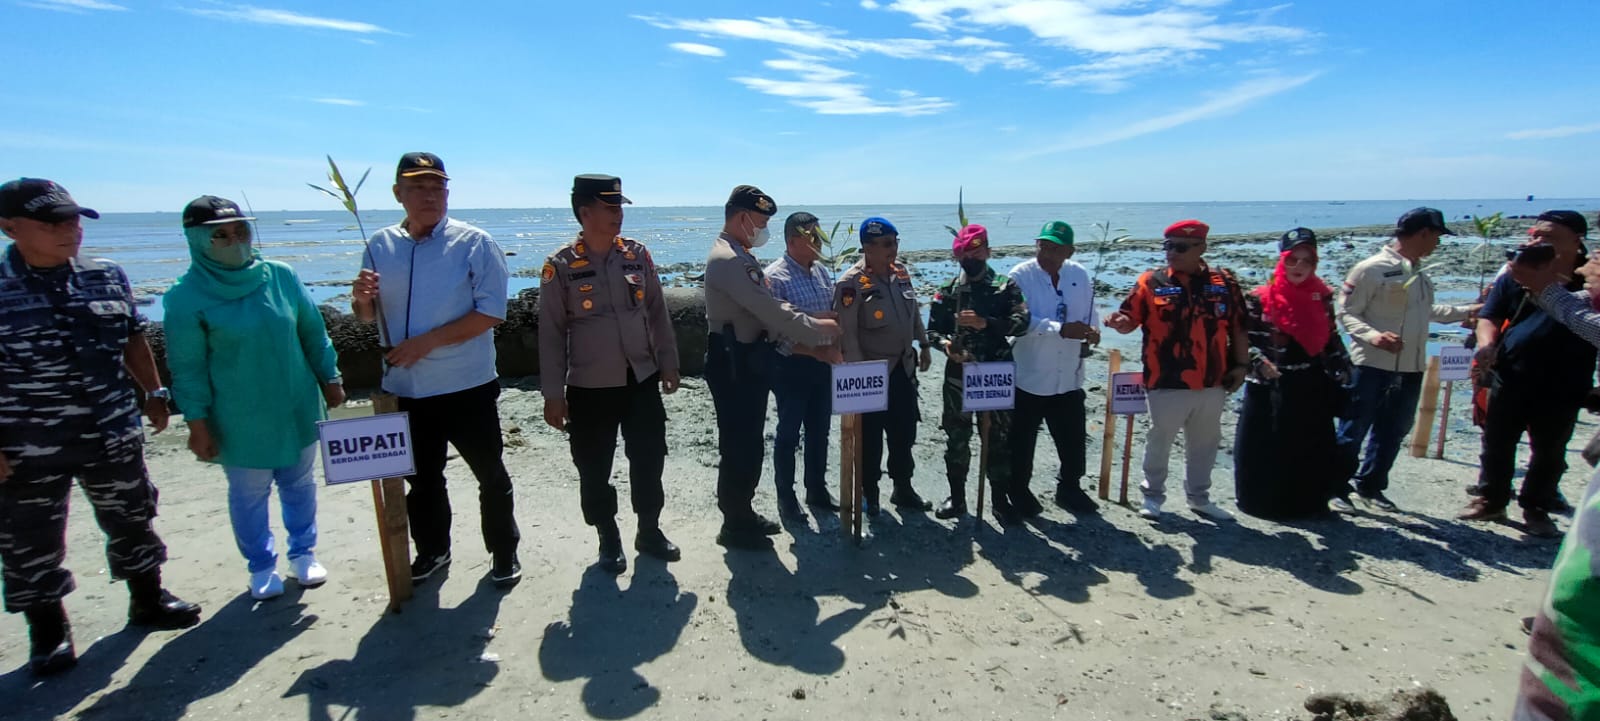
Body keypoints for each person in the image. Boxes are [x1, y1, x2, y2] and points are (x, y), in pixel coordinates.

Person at [0, 178, 201, 676]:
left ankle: (147, 601)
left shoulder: (105, 275)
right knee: (30, 541)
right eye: (53, 222)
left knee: (133, 516)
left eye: (73, 219)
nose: (69, 229)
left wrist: (154, 393)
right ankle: (48, 635)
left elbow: (132, 338)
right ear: (9, 227)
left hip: (111, 429)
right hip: (26, 441)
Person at [350, 152, 521, 588]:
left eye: (437, 187)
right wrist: (362, 302)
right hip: (405, 388)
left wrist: (426, 342)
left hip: (467, 385)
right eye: (419, 187)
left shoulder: (474, 242)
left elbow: (491, 313)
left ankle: (503, 552)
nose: (430, 195)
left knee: (490, 474)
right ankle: (433, 552)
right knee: (422, 482)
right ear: (398, 194)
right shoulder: (379, 244)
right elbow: (367, 318)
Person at [163, 195, 344, 600]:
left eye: (240, 230)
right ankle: (262, 566)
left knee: (299, 482)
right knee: (249, 492)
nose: (234, 240)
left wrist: (330, 378)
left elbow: (313, 332)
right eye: (220, 235)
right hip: (238, 414)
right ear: (198, 240)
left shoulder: (280, 276)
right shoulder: (186, 297)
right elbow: (187, 367)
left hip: (295, 401)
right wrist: (197, 422)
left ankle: (303, 553)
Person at [539, 175, 681, 574]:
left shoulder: (637, 255)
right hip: (588, 386)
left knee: (649, 456)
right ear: (585, 213)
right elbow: (551, 333)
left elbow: (656, 310)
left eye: (620, 207)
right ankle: (607, 534)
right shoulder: (561, 266)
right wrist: (553, 393)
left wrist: (667, 361)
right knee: (593, 464)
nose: (618, 215)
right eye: (610, 207)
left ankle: (649, 529)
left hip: (640, 378)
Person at [703, 185, 841, 549]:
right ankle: (734, 523)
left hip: (748, 359)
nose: (762, 228)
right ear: (741, 217)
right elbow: (770, 310)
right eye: (760, 221)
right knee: (738, 444)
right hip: (732, 359)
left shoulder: (741, 254)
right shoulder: (728, 259)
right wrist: (816, 329)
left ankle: (742, 513)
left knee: (749, 442)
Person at [1507, 213, 1600, 719]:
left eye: (1549, 238)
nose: (1535, 243)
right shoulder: (1524, 278)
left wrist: (1552, 291)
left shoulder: (1572, 283)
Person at [1459, 211, 1595, 538]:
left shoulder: (1591, 280)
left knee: (1550, 448)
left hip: (1566, 379)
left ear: (1576, 241)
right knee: (1497, 440)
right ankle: (1492, 498)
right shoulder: (1516, 273)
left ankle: (1536, 506)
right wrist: (1486, 344)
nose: (1538, 243)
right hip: (1513, 370)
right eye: (1536, 235)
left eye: (1549, 237)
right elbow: (1489, 315)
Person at [1334, 207, 1477, 513]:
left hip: (1411, 366)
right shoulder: (1371, 269)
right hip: (1371, 364)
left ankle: (1371, 486)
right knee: (1353, 428)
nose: (1438, 243)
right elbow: (1346, 312)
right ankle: (1335, 487)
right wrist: (1374, 337)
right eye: (1437, 235)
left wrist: (1466, 312)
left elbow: (1427, 313)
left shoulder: (1419, 273)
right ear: (1423, 233)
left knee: (1394, 429)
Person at [1104, 219, 1246, 522]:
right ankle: (1152, 496)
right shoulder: (1150, 282)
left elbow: (1238, 327)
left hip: (1212, 380)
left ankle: (1199, 498)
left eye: (1180, 247)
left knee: (1205, 443)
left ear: (1201, 248)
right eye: (1167, 246)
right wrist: (1120, 323)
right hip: (1166, 379)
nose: (1171, 253)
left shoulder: (1224, 283)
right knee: (1160, 440)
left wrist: (1241, 366)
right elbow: (1130, 320)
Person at [1232, 228, 1353, 520]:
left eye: (1306, 261)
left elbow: (1331, 337)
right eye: (1292, 260)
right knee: (1265, 449)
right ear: (1281, 261)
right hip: (1269, 384)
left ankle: (1309, 504)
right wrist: (1257, 363)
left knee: (1311, 447)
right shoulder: (1259, 298)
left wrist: (1345, 368)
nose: (1298, 267)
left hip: (1310, 383)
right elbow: (1239, 340)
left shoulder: (1320, 296)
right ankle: (1262, 504)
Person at [926, 224, 1030, 524]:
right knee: (957, 437)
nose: (972, 257)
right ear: (958, 256)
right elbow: (932, 331)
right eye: (966, 253)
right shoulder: (949, 291)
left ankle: (999, 499)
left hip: (995, 371)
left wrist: (988, 323)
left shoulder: (1004, 286)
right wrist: (946, 345)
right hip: (959, 373)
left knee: (998, 438)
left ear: (988, 251)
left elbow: (1023, 321)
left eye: (977, 251)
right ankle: (957, 498)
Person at [833, 217, 934, 516]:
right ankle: (870, 494)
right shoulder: (851, 283)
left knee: (904, 433)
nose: (894, 249)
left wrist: (924, 344)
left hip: (903, 368)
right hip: (872, 373)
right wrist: (859, 379)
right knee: (870, 440)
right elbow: (847, 336)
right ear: (867, 247)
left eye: (895, 242)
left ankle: (903, 488)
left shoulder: (900, 273)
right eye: (887, 244)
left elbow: (912, 310)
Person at [1007, 220, 1101, 514]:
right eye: (1042, 246)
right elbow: (1017, 321)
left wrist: (1093, 332)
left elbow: (1090, 312)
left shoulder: (1079, 274)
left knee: (1073, 440)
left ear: (1069, 251)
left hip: (1069, 376)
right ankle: (1018, 491)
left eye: (1054, 248)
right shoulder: (1021, 275)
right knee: (1021, 442)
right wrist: (1058, 329)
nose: (1046, 253)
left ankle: (1069, 488)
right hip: (1030, 375)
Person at [765, 212, 843, 519]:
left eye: (820, 235)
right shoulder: (776, 277)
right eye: (812, 236)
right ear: (793, 240)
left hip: (823, 367)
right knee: (788, 433)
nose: (819, 242)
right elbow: (776, 334)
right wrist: (815, 351)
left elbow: (832, 318)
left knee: (819, 431)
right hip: (792, 366)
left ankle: (816, 489)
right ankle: (786, 497)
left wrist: (833, 346)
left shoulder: (823, 271)